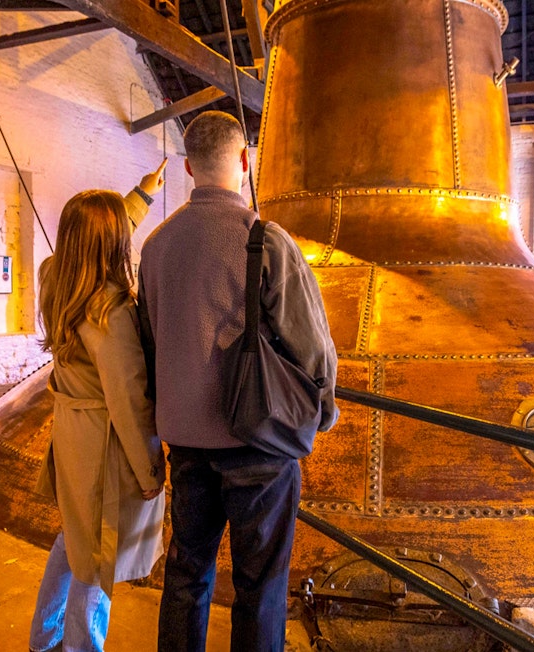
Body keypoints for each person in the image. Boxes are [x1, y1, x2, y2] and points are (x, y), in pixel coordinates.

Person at [137, 111, 339, 651]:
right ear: (245, 160)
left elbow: (149, 346)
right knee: (260, 585)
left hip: (184, 443)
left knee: (186, 575)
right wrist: (323, 412)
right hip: (257, 444)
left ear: (187, 168)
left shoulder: (155, 247)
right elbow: (311, 345)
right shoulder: (265, 240)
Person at [29, 162, 168, 652]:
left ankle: (42, 639)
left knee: (74, 540)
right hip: (104, 447)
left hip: (71, 434)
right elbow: (128, 401)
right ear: (112, 245)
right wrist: (150, 470)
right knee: (98, 557)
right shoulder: (109, 310)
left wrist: (142, 195)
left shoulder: (55, 277)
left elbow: (94, 235)